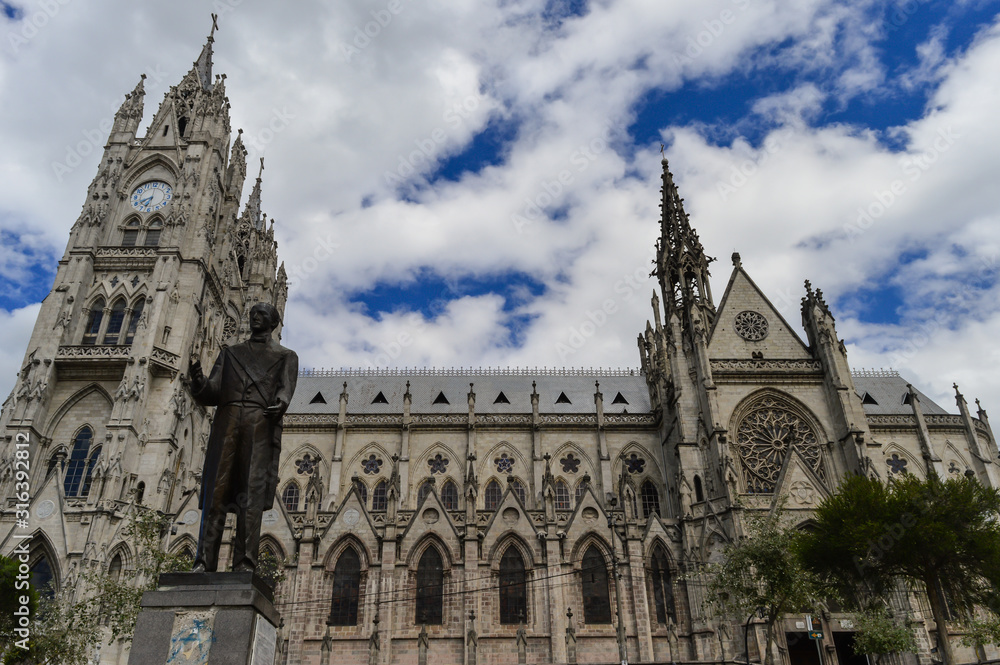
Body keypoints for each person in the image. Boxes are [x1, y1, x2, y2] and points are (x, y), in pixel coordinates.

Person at [188, 302, 297, 573]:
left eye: (261, 315)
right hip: (227, 421)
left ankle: (245, 563)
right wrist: (199, 382)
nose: (255, 319)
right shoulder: (231, 354)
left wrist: (281, 403)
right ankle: (203, 561)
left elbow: (285, 389)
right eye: (253, 315)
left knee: (251, 494)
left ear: (273, 323)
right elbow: (212, 392)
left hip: (259, 424)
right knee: (216, 491)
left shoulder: (285, 356)